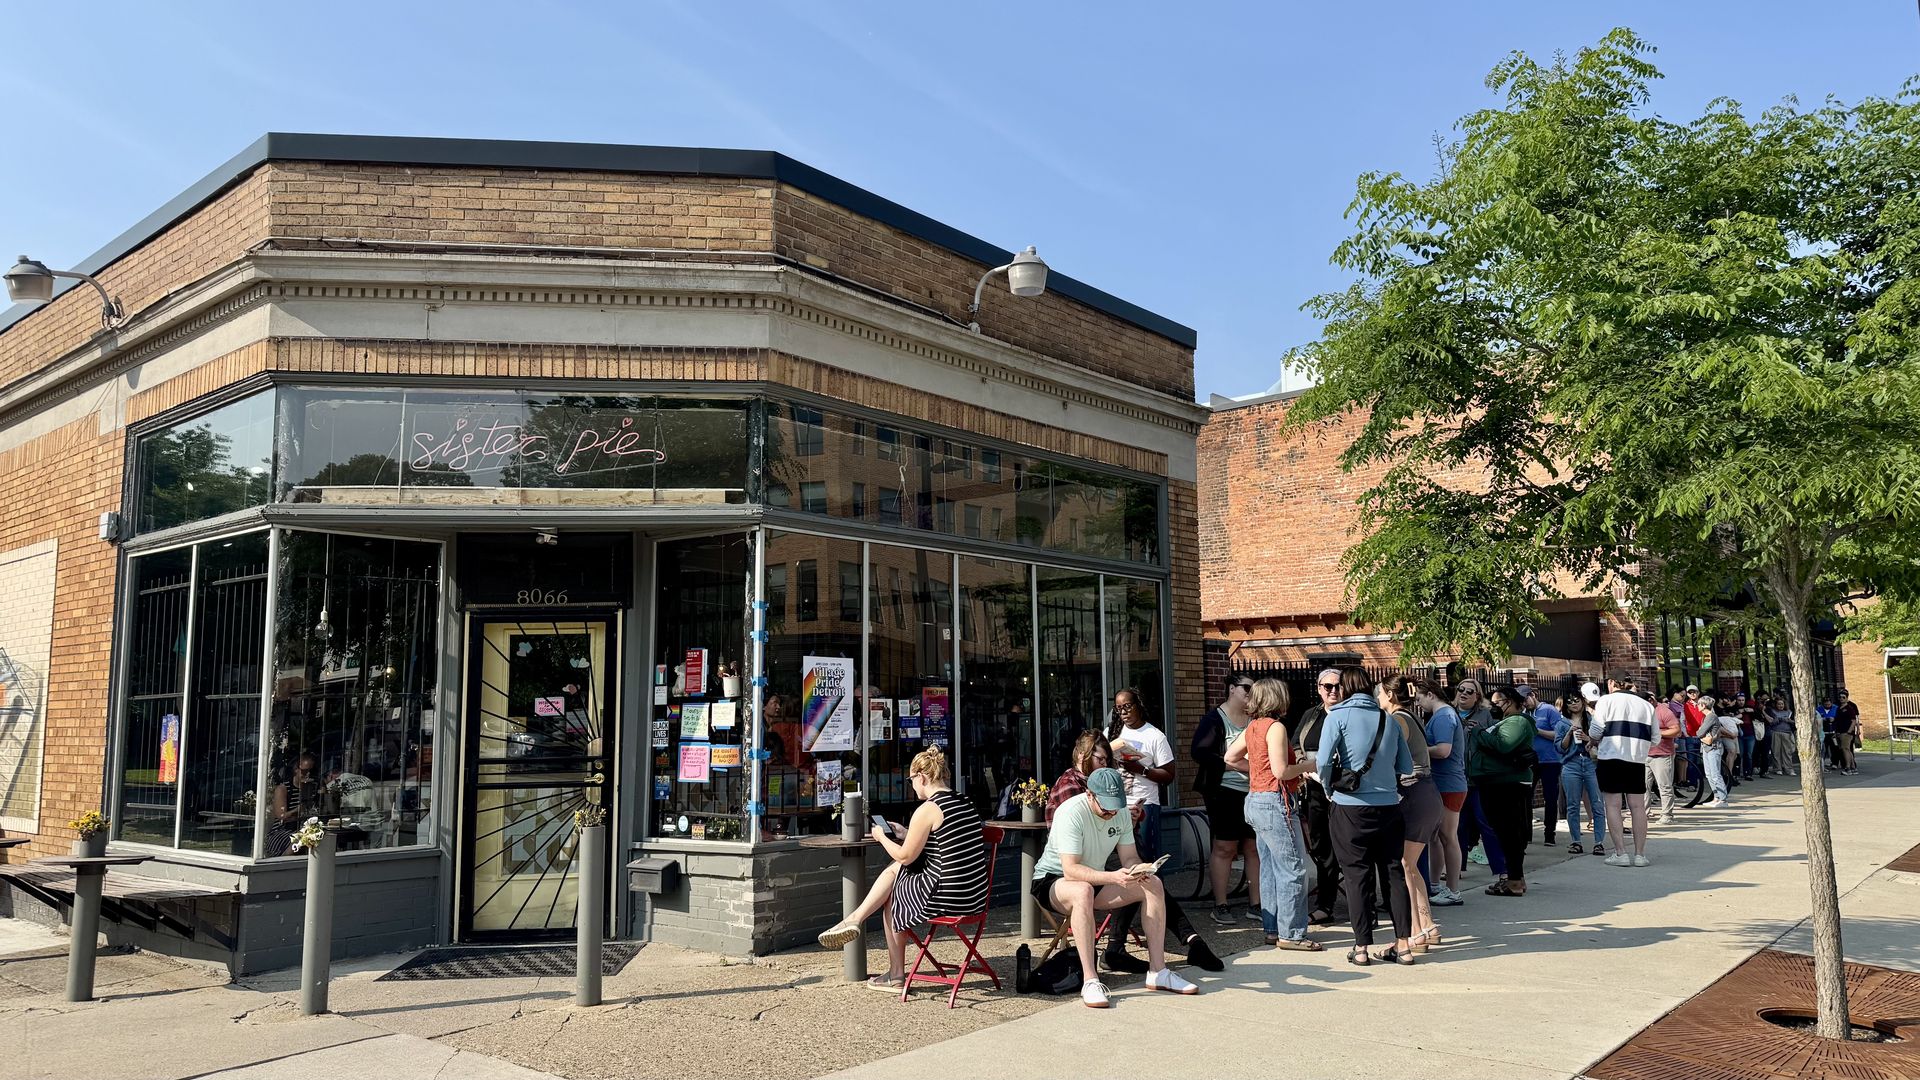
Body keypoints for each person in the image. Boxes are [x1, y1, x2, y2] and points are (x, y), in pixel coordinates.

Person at [1045, 730, 1223, 973]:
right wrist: (1117, 824)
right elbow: (1077, 838)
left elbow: (1114, 833)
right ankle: (1103, 963)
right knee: (1117, 872)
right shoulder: (1071, 789)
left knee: (1143, 875)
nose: (1104, 764)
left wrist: (1129, 819)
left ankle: (1166, 954)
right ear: (1082, 756)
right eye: (1100, 759)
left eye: (1107, 760)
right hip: (1069, 868)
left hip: (1099, 857)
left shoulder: (1104, 786)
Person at [816, 747, 987, 992]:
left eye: (911, 780)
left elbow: (906, 856)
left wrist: (881, 837)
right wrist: (907, 834)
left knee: (894, 891)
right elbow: (946, 842)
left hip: (950, 897)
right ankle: (855, 919)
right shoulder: (964, 801)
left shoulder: (928, 809)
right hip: (975, 895)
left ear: (922, 777)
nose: (911, 786)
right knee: (896, 873)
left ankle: (894, 972)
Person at [1029, 768, 1199, 1007]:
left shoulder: (1119, 811)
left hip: (1095, 877)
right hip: (1053, 881)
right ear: (1090, 795)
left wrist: (1137, 870)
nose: (1110, 811)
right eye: (1105, 806)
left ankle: (1158, 971)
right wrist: (1112, 877)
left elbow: (1129, 856)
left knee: (1153, 884)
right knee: (1082, 891)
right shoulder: (1070, 812)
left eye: (1115, 805)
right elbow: (1071, 870)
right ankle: (1090, 980)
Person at [1316, 667, 1415, 966]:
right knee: (1393, 873)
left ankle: (1360, 947)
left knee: (1357, 874)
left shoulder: (1337, 718)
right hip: (1388, 806)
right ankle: (1404, 945)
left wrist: (1329, 789)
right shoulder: (1389, 719)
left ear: (1344, 689)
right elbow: (1407, 766)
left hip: (1349, 806)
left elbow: (1323, 762)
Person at [1224, 678, 1320, 951]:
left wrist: (1255, 771)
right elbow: (1280, 771)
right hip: (1275, 801)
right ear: (1278, 699)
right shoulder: (1275, 727)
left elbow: (1229, 758)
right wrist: (1308, 765)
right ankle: (1292, 934)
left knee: (1269, 869)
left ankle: (1273, 929)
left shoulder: (1253, 726)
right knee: (1293, 869)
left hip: (1255, 799)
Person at [1188, 678, 1261, 925]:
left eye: (1255, 689)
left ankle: (1256, 904)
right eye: (1246, 688)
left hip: (1252, 791)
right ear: (1231, 689)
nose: (1251, 693)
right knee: (1225, 848)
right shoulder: (1214, 720)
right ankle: (1221, 904)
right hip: (1223, 791)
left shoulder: (1256, 720)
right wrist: (1231, 763)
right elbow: (1199, 751)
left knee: (1253, 847)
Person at [1382, 678, 1443, 949]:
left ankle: (1417, 930)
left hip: (1413, 792)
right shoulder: (1413, 716)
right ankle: (1428, 926)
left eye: (1379, 694)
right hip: (1427, 793)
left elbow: (1390, 758)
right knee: (1410, 865)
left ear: (1390, 696)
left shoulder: (1397, 719)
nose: (1377, 699)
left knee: (1405, 865)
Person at [1470, 686, 1537, 897]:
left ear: (1508, 701)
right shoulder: (1507, 722)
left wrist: (1478, 731)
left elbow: (1503, 745)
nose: (1493, 707)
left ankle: (1514, 881)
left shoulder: (1517, 721)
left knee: (1509, 833)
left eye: (1496, 703)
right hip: (1497, 782)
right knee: (1507, 832)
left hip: (1507, 784)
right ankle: (1516, 879)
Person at [1294, 669, 1345, 924]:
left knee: (1350, 847)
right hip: (1314, 790)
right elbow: (1295, 744)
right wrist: (1303, 764)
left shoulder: (1350, 714)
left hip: (1346, 790)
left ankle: (1366, 903)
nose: (1333, 691)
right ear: (1319, 688)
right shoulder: (1311, 715)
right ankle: (1325, 904)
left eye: (1337, 686)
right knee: (1321, 847)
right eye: (1327, 686)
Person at [1411, 680, 1467, 905]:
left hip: (1448, 784)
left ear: (1431, 695)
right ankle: (1435, 884)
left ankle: (1453, 890)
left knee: (1447, 837)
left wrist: (1417, 750)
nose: (1418, 703)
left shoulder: (1444, 716)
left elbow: (1443, 751)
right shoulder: (1445, 715)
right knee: (1437, 837)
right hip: (1445, 783)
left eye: (1419, 698)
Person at [1592, 678, 1655, 867]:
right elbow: (1656, 737)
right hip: (1636, 759)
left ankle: (1621, 853)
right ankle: (1640, 855)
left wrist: (1596, 740)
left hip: (1611, 757)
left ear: (1612, 683)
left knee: (1613, 805)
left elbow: (1595, 731)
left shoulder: (1605, 701)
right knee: (1637, 806)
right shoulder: (1646, 705)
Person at [1453, 679, 1507, 878]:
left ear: (1477, 697)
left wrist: (1479, 732)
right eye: (1461, 689)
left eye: (1470, 691)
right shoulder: (1448, 714)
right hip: (1456, 779)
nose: (1464, 693)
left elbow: (1496, 743)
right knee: (1458, 826)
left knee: (1485, 823)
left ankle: (1500, 869)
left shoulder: (1486, 716)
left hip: (1479, 780)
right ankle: (1456, 868)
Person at [1556, 686, 1607, 856]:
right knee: (1573, 805)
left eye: (1576, 700)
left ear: (1582, 701)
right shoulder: (1562, 723)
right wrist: (1569, 734)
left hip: (1590, 763)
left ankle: (1599, 842)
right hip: (1571, 764)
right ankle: (1575, 841)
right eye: (1569, 702)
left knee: (1597, 803)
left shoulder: (1592, 720)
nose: (1573, 704)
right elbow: (1560, 748)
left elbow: (1603, 742)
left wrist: (1589, 739)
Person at [1523, 684, 1568, 847]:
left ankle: (1550, 834)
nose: (1525, 703)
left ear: (1533, 695)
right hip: (1530, 761)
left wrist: (1537, 730)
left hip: (1550, 760)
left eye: (1526, 699)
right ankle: (1527, 834)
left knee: (1550, 797)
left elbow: (1559, 734)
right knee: (1526, 797)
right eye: (1522, 701)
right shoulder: (1523, 713)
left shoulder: (1549, 710)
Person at [1646, 688, 1684, 822]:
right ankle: (1643, 814)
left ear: (1651, 700)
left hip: (1662, 754)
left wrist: (1656, 733)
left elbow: (1676, 730)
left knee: (1665, 786)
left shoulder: (1664, 711)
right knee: (1643, 787)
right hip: (1643, 754)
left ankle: (1667, 815)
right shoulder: (1639, 711)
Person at [1697, 695, 1733, 808]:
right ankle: (1716, 797)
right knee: (1709, 774)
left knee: (1715, 774)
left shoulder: (1711, 717)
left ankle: (1723, 799)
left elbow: (1699, 732)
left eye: (1699, 704)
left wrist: (1702, 736)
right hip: (1706, 747)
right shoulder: (1706, 717)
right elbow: (1700, 733)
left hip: (1714, 748)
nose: (1697, 706)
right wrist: (1703, 737)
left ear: (1703, 705)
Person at [1767, 695, 1799, 777]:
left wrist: (1789, 721)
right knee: (1776, 751)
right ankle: (1778, 768)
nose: (1781, 706)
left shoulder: (1789, 712)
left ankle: (1789, 768)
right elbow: (1771, 723)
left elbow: (1795, 722)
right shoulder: (1773, 711)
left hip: (1786, 733)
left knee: (1787, 752)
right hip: (1776, 732)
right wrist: (1779, 719)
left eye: (1782, 704)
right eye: (1779, 704)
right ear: (1776, 704)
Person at [1835, 689, 1861, 774]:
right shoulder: (1838, 708)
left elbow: (1854, 720)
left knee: (1845, 749)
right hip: (1840, 731)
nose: (1841, 699)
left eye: (1843, 697)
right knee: (1846, 749)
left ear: (1847, 698)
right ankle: (1853, 767)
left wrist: (1849, 731)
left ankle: (1848, 768)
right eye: (1840, 697)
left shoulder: (1850, 708)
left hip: (1846, 732)